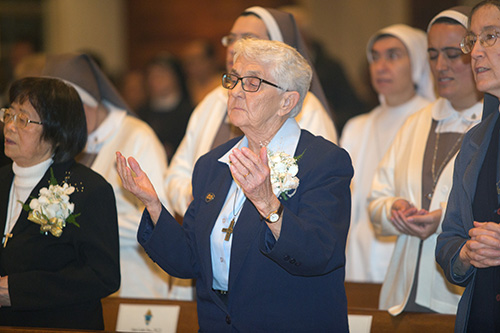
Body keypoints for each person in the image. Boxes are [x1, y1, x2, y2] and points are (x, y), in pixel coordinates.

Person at [117, 38, 352, 332]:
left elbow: (319, 254)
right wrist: (152, 204)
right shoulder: (212, 164)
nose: (235, 92)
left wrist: (268, 204)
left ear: (287, 101)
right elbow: (190, 262)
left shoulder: (324, 162)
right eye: (234, 80)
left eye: (252, 82)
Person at [41, 53, 191, 300]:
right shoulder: (71, 142)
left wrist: (82, 225)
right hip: (87, 284)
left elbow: (158, 218)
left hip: (136, 283)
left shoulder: (137, 136)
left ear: (83, 104)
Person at [165, 6, 338, 217]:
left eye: (248, 38)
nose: (234, 47)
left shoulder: (307, 108)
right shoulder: (212, 101)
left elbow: (317, 189)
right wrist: (198, 201)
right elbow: (178, 171)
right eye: (231, 39)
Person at [369, 6, 482, 316]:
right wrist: (395, 209)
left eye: (452, 53)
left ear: (477, 54)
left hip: (459, 297)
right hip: (403, 293)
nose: (440, 65)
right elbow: (376, 201)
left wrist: (442, 218)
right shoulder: (416, 123)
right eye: (433, 55)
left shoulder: (491, 127)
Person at [0, 77, 120, 329]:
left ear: (56, 131)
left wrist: (16, 289)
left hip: (59, 326)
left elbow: (103, 276)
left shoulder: (87, 189)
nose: (9, 126)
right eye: (8, 114)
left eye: (22, 119)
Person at [340, 24, 435, 283]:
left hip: (409, 260)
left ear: (416, 61)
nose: (381, 66)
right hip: (355, 262)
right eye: (375, 57)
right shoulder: (357, 126)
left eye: (393, 55)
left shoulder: (433, 119)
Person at [436, 1, 500, 331]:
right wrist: (466, 253)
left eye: (490, 36)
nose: (474, 52)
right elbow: (448, 240)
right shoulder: (475, 140)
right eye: (472, 39)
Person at [137, 53, 194, 160]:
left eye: (162, 74)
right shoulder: (140, 113)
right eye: (152, 75)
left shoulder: (191, 113)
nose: (157, 79)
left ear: (176, 77)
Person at [181, 39, 224, 105]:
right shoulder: (185, 85)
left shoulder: (225, 84)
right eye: (188, 61)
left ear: (211, 60)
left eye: (196, 60)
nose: (192, 65)